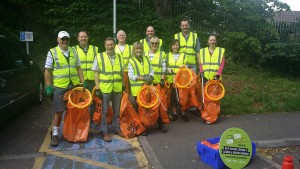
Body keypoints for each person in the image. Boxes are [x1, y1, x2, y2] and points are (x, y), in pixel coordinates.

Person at [44, 31, 86, 147]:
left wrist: (83, 81)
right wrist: (48, 85)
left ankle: (70, 131)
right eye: (63, 39)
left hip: (73, 86)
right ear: (58, 40)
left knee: (73, 110)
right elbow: (47, 70)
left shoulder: (73, 51)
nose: (65, 41)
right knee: (59, 110)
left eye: (67, 39)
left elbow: (78, 68)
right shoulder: (52, 52)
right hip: (59, 86)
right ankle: (55, 134)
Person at [92, 37, 124, 142]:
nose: (110, 46)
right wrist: (97, 88)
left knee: (116, 110)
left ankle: (117, 128)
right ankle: (105, 132)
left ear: (114, 45)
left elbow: (122, 72)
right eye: (108, 45)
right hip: (105, 88)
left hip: (117, 88)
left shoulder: (119, 57)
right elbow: (96, 73)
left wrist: (123, 84)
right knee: (104, 112)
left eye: (111, 44)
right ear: (105, 46)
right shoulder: (99, 56)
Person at [199, 33, 225, 124]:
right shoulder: (203, 51)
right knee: (205, 98)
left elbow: (222, 64)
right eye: (211, 40)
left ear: (215, 41)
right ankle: (206, 115)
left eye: (214, 40)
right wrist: (201, 72)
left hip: (215, 78)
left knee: (213, 98)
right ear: (208, 41)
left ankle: (212, 117)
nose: (212, 41)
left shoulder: (220, 51)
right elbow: (200, 63)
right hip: (205, 77)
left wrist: (218, 74)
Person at [144, 36, 168, 133]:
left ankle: (160, 123)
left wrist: (162, 79)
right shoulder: (144, 54)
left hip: (158, 83)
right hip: (148, 84)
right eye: (153, 43)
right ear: (149, 43)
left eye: (156, 43)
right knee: (147, 105)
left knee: (158, 105)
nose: (154, 45)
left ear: (159, 44)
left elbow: (163, 67)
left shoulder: (162, 54)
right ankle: (146, 125)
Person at [74, 30, 98, 118]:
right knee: (81, 99)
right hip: (80, 80)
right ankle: (81, 117)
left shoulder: (95, 49)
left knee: (93, 99)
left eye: (85, 36)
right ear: (78, 39)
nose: (83, 38)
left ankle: (92, 117)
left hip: (92, 79)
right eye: (81, 37)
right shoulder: (73, 50)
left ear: (87, 38)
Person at [165, 39, 188, 122]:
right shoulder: (167, 55)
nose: (175, 46)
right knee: (173, 97)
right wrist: (167, 69)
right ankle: (174, 113)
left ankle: (183, 112)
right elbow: (165, 65)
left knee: (182, 97)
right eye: (174, 45)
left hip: (181, 80)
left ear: (179, 46)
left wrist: (184, 66)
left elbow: (186, 65)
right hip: (171, 79)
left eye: (177, 45)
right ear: (171, 46)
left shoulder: (183, 55)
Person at [127, 41, 154, 112]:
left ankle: (147, 122)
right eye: (137, 49)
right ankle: (140, 122)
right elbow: (131, 76)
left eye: (140, 49)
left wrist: (151, 76)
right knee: (139, 108)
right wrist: (144, 78)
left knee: (147, 107)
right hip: (137, 90)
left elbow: (152, 69)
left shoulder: (147, 58)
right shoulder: (131, 61)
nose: (139, 50)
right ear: (134, 50)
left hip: (147, 88)